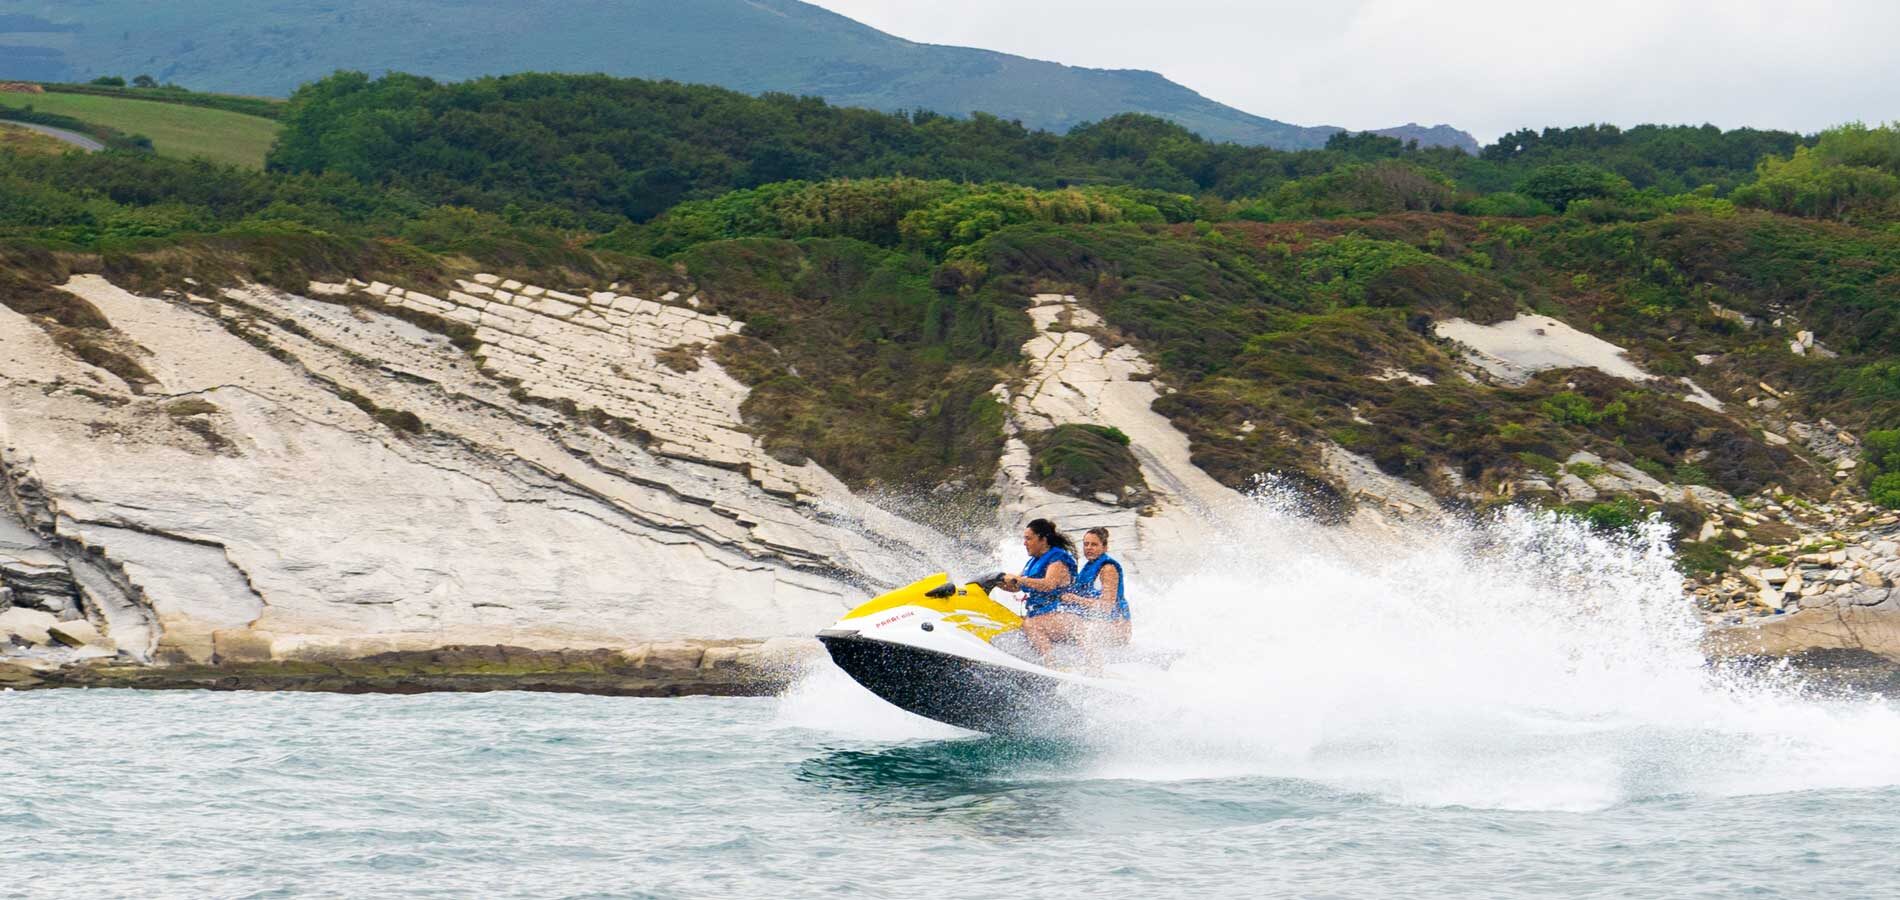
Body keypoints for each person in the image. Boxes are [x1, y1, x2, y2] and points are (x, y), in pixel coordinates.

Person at [999, 518, 1079, 664]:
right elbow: (1016, 586)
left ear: (1043, 539)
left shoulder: (1058, 559)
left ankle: (1051, 664)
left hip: (1064, 614)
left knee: (1030, 624)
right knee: (1007, 620)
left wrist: (1019, 579)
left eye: (1029, 539)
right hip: (1044, 614)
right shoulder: (1033, 561)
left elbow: (1049, 584)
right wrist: (997, 582)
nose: (1024, 543)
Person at [1061, 526, 1132, 648]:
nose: (1088, 548)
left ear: (1104, 547)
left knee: (1079, 628)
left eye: (1094, 544)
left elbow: (1106, 606)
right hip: (1097, 621)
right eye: (1086, 544)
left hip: (1117, 628)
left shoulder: (1108, 569)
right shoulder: (1088, 567)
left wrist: (1074, 599)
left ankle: (1094, 667)